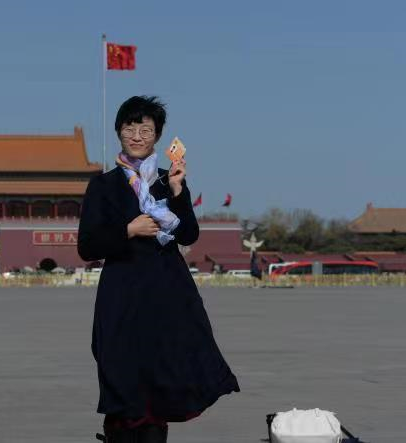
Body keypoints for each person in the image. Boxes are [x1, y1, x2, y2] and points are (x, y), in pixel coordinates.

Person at [78, 96, 239, 443]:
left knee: (161, 374)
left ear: (158, 136)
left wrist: (179, 192)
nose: (137, 136)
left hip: (167, 292)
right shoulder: (103, 186)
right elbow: (87, 246)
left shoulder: (169, 180)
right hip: (122, 292)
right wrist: (127, 230)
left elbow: (189, 234)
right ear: (118, 131)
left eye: (146, 130)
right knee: (121, 370)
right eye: (130, 128)